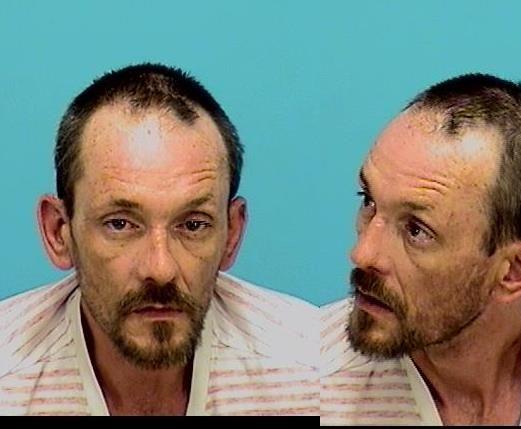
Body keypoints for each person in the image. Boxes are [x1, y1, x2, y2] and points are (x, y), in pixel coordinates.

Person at [320, 73, 521, 425]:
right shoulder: (311, 383)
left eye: (417, 230)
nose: (363, 254)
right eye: (368, 201)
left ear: (515, 271)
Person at [0, 63, 318, 416]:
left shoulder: (311, 374)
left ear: (231, 234)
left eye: (193, 225)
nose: (161, 269)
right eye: (120, 224)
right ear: (59, 231)